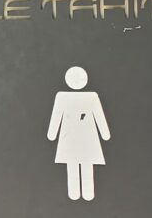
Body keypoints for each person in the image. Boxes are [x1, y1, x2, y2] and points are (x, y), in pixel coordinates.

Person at [47, 65, 110, 201]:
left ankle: (82, 193)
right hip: (80, 137)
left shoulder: (67, 97)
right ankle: (79, 193)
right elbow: (57, 115)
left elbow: (99, 116)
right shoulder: (88, 97)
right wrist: (105, 134)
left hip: (77, 138)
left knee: (77, 164)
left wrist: (52, 134)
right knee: (78, 164)